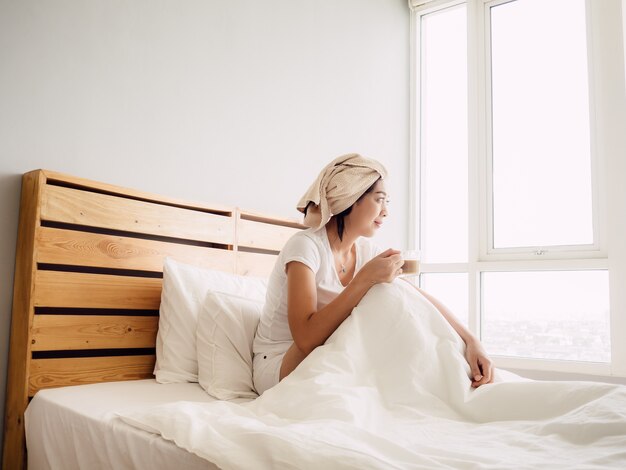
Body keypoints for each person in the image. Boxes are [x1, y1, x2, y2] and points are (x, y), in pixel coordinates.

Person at [252, 154, 493, 395]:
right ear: (350, 199)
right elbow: (305, 339)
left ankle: (449, 380)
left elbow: (420, 299)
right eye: (379, 200)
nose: (386, 211)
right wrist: (365, 279)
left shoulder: (366, 251)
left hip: (323, 353)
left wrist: (472, 341)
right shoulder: (305, 246)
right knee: (383, 290)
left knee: (396, 290)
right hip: (280, 363)